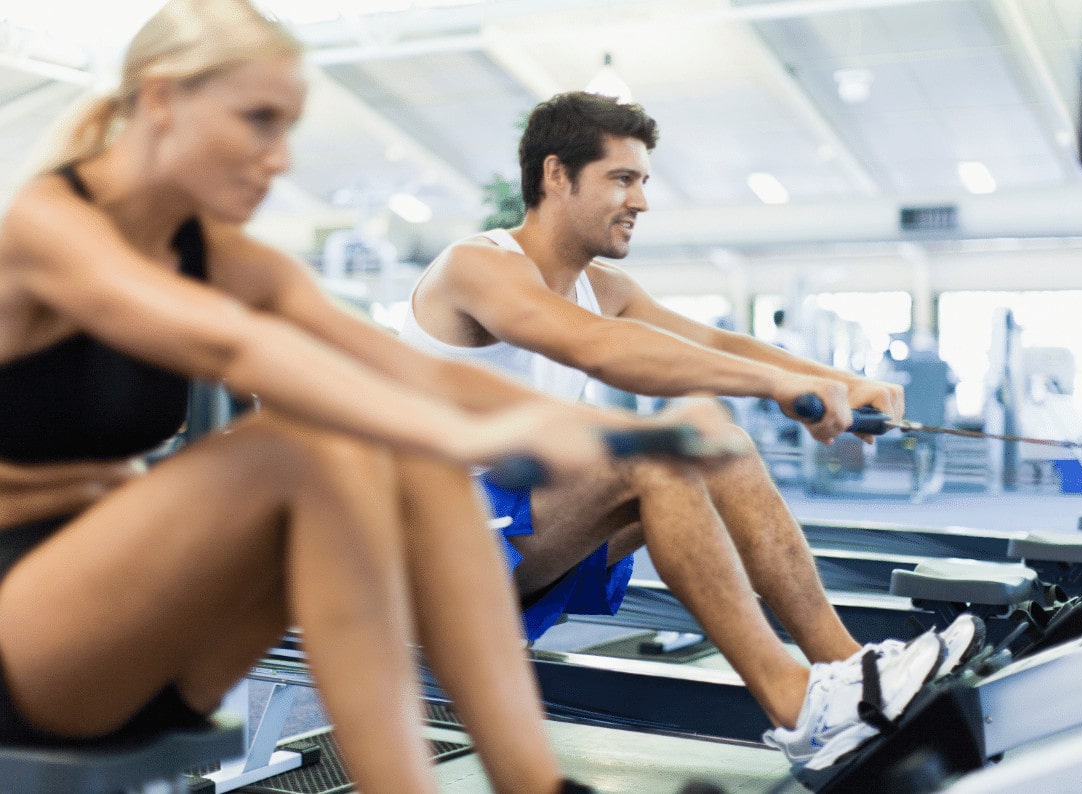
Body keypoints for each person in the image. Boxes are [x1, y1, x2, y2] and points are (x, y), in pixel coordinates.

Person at [0, 7, 735, 793]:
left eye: (288, 129)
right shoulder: (48, 225)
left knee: (400, 459)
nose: (278, 159)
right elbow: (235, 347)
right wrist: (468, 433)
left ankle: (529, 782)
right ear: (161, 101)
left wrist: (611, 433)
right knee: (297, 445)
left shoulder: (220, 254)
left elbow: (403, 368)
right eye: (258, 121)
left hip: (154, 635)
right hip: (28, 643)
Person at [400, 91, 985, 772]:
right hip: (429, 554)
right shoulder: (478, 266)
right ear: (556, 175)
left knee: (709, 430)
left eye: (643, 180)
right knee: (661, 451)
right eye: (621, 178)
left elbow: (714, 341)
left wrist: (836, 379)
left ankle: (848, 673)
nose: (641, 201)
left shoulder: (604, 286)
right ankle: (797, 707)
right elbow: (593, 347)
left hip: (518, 538)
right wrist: (777, 387)